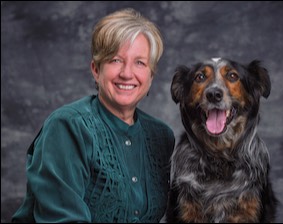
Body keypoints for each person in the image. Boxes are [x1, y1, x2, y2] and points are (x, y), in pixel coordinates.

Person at [12, 8, 175, 223]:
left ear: (151, 76)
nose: (127, 73)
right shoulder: (68, 126)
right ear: (96, 70)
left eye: (140, 63)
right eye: (115, 60)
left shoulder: (161, 137)